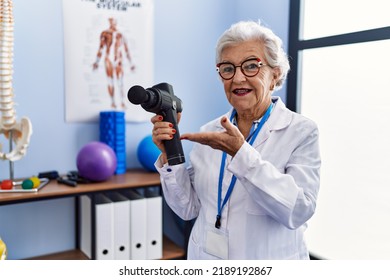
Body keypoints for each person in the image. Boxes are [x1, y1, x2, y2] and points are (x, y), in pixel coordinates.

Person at [151, 21, 321, 260]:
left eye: (251, 66)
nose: (238, 78)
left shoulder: (301, 132)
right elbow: (188, 208)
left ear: (275, 74)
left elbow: (298, 210)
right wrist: (171, 153)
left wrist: (241, 153)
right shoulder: (210, 131)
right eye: (228, 68)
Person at [93, 17, 135, 109]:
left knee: (120, 82)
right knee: (110, 82)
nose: (113, 23)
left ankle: (122, 102)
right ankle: (112, 102)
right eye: (111, 21)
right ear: (109, 22)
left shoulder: (121, 34)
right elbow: (101, 47)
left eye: (114, 21)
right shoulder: (105, 33)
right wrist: (96, 61)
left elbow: (126, 49)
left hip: (118, 60)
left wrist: (131, 63)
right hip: (109, 60)